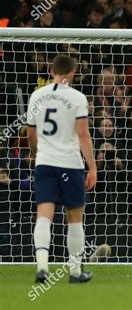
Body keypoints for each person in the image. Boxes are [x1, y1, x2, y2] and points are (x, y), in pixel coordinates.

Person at [26, 55, 97, 284]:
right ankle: (75, 273)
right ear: (73, 72)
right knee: (75, 217)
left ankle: (42, 268)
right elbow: (83, 134)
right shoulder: (77, 98)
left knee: (44, 215)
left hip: (45, 162)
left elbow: (30, 133)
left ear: (51, 70)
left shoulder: (37, 95)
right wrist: (93, 167)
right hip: (69, 163)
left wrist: (38, 153)